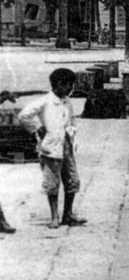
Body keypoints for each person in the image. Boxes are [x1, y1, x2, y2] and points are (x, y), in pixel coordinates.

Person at [18, 68, 86, 229]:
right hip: (50, 148)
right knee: (52, 183)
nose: (71, 89)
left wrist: (72, 133)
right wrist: (37, 128)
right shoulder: (45, 101)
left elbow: (72, 121)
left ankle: (67, 214)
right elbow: (24, 115)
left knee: (72, 180)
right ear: (59, 85)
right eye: (69, 85)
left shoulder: (67, 102)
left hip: (66, 146)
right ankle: (54, 216)